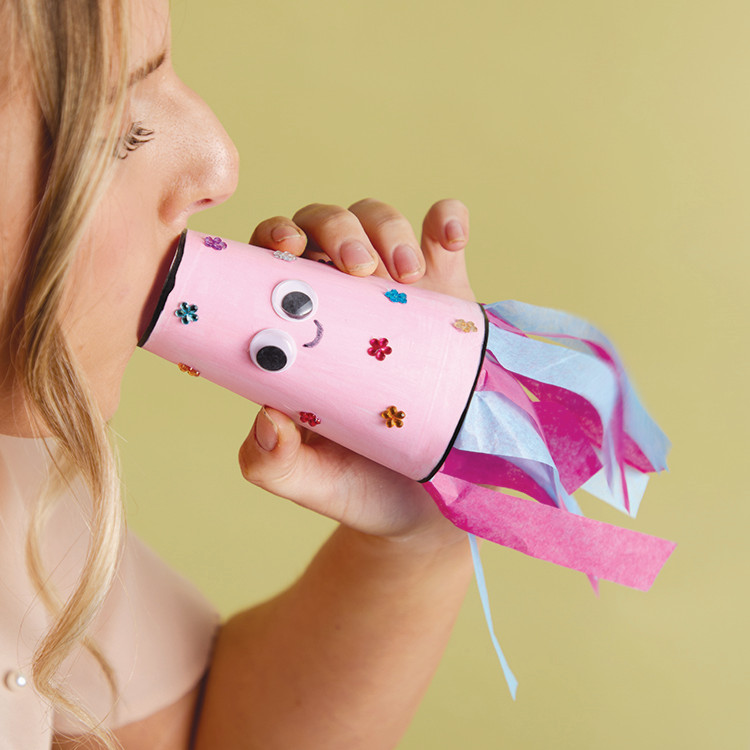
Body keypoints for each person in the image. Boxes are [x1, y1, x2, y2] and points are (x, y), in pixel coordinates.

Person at [0, 0, 478, 747]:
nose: (220, 162)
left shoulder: (24, 497)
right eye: (123, 131)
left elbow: (205, 734)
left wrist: (419, 541)